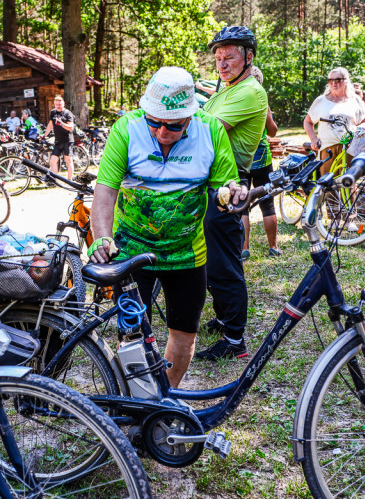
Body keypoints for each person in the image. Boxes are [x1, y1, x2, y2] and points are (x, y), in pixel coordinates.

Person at [88, 66, 246, 387]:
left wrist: (235, 195)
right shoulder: (126, 129)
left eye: (172, 126)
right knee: (131, 338)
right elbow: (105, 192)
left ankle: (166, 398)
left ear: (189, 116)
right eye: (154, 122)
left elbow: (227, 189)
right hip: (132, 254)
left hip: (187, 255)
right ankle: (138, 400)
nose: (161, 132)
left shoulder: (211, 131)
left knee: (184, 338)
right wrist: (102, 237)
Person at [199, 25, 268, 361]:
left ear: (248, 57)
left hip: (228, 184)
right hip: (209, 181)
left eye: (229, 57)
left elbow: (206, 130)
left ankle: (235, 340)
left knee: (224, 262)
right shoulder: (224, 91)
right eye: (219, 58)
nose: (222, 64)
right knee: (211, 260)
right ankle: (225, 317)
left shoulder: (250, 91)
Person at [245, 66, 280, 260]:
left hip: (240, 160)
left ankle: (244, 248)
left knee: (241, 204)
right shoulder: (261, 101)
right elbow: (273, 131)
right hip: (261, 159)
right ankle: (273, 247)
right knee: (267, 203)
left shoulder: (234, 100)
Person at [303, 67, 365, 174]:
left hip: (349, 148)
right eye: (330, 80)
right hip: (327, 149)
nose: (334, 83)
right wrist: (313, 139)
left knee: (348, 186)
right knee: (328, 186)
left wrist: (357, 129)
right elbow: (307, 122)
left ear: (346, 81)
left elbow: (364, 121)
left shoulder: (355, 100)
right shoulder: (321, 100)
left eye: (338, 80)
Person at [44, 95, 76, 179]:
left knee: (68, 160)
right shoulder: (53, 112)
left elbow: (71, 127)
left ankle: (70, 180)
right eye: (56, 104)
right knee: (53, 160)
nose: (58, 106)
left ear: (63, 104)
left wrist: (62, 124)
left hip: (67, 140)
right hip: (58, 141)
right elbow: (50, 125)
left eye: (60, 104)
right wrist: (44, 135)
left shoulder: (67, 113)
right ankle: (55, 180)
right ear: (54, 104)